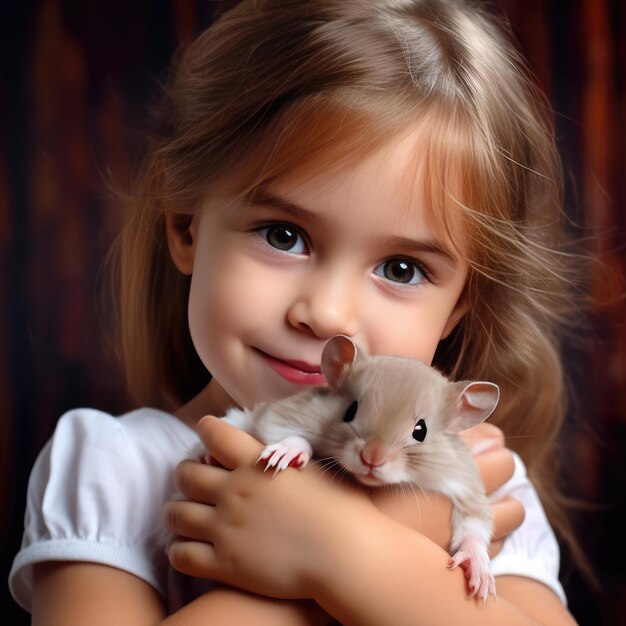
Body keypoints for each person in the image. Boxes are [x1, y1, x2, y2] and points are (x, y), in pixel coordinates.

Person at [9, 0, 584, 623]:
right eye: (283, 235)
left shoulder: (481, 480)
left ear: (455, 310)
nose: (329, 315)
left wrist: (348, 552)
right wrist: (336, 561)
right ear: (185, 226)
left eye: (401, 269)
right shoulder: (111, 470)